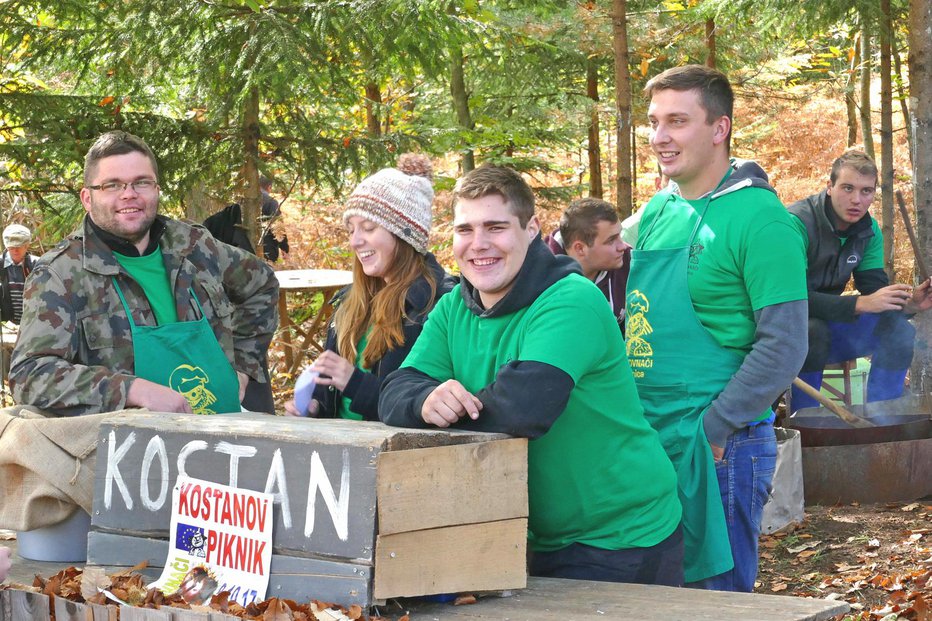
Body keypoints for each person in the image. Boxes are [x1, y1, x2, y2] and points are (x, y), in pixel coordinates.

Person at [379, 165, 684, 586]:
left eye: (496, 227)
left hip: (620, 537)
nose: (478, 244)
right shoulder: (453, 307)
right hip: (523, 535)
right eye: (465, 229)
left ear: (531, 229)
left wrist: (445, 411)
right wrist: (424, 401)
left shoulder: (570, 300)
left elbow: (523, 409)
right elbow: (395, 390)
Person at [628, 64, 808, 591]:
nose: (660, 137)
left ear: (719, 128)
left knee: (718, 600)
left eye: (677, 122)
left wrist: (716, 427)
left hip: (717, 447)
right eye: (655, 122)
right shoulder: (659, 209)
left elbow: (785, 343)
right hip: (648, 439)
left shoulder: (762, 219)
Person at [9, 131, 279, 417]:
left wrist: (243, 366)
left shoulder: (194, 246)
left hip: (222, 435)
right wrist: (132, 390)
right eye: (112, 185)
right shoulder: (60, 274)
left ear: (156, 189)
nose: (129, 194)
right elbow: (30, 375)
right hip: (129, 453)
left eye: (141, 182)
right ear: (87, 198)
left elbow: (262, 285)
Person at [284, 154, 453, 420]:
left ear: (405, 234)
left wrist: (353, 382)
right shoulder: (350, 302)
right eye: (351, 230)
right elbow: (331, 394)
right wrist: (315, 407)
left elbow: (420, 411)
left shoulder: (437, 305)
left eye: (368, 228)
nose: (355, 241)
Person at [787, 151, 932, 410]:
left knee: (898, 329)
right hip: (781, 333)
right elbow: (790, 298)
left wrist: (909, 305)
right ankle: (805, 420)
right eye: (847, 188)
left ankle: (883, 418)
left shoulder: (869, 231)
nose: (856, 200)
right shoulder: (796, 223)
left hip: (829, 330)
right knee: (813, 330)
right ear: (829, 187)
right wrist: (860, 304)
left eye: (866, 191)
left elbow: (875, 291)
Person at [544, 198, 630, 332]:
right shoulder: (540, 277)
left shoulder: (629, 261)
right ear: (580, 248)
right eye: (611, 240)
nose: (622, 246)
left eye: (620, 235)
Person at [1, 224, 38, 325]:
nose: (15, 250)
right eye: (12, 247)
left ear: (27, 245)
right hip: (7, 323)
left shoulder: (38, 265)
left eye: (19, 246)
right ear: (6, 246)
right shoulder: (1, 264)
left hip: (33, 323)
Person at [259, 176, 289, 262]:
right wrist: (284, 247)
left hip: (243, 250)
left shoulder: (243, 201)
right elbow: (277, 227)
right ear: (269, 187)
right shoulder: (271, 202)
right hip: (267, 250)